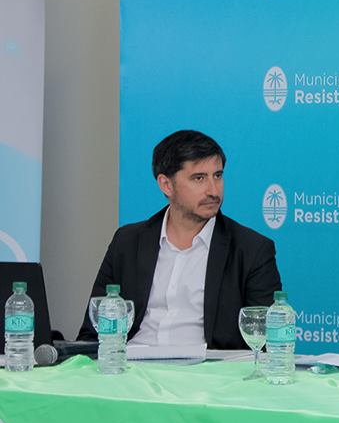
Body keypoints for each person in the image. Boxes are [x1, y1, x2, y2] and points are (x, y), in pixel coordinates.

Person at [77, 130, 282, 349]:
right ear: (166, 185)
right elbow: (92, 331)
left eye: (218, 176)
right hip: (131, 369)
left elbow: (267, 345)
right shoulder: (128, 242)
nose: (213, 190)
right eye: (199, 178)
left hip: (205, 375)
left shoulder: (251, 249)